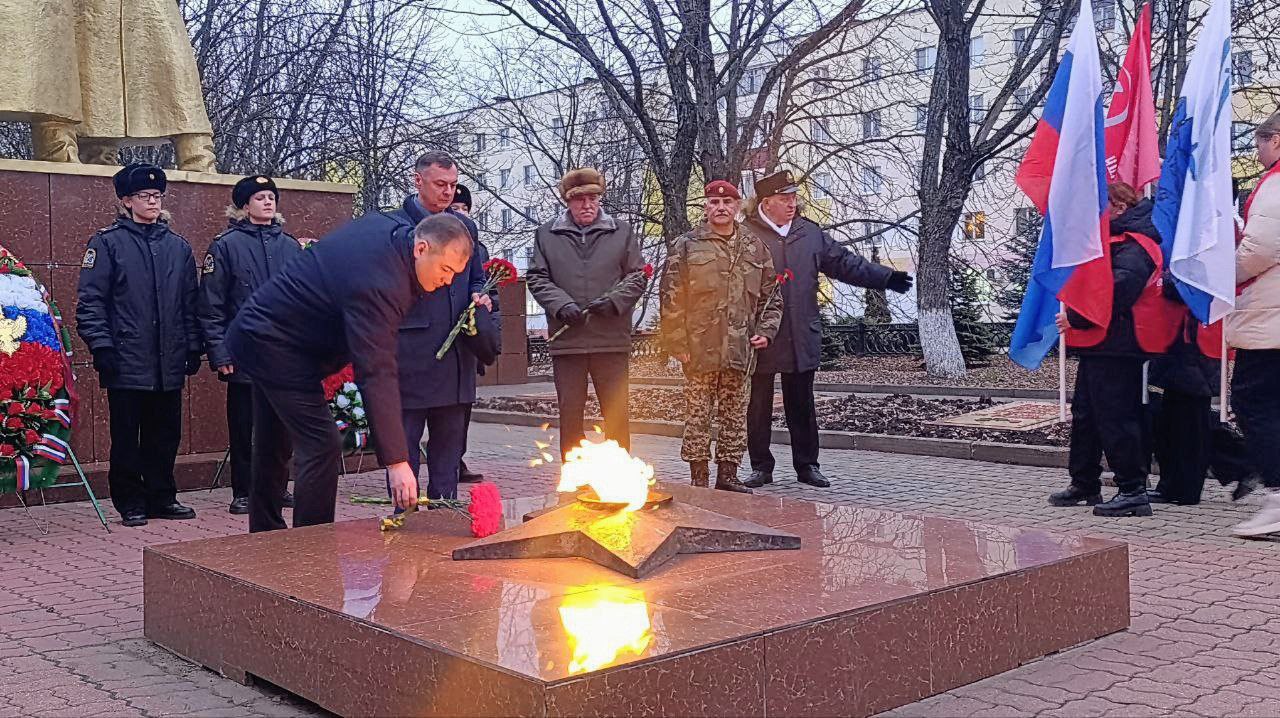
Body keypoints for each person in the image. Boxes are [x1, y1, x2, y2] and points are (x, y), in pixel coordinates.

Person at [224, 213, 473, 532]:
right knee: (322, 444)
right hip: (276, 345)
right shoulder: (381, 281)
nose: (448, 281)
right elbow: (376, 369)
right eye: (446, 269)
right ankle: (311, 544)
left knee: (273, 438)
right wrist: (397, 462)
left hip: (268, 335)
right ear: (421, 248)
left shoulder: (391, 234)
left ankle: (265, 533)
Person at [742, 170, 912, 489]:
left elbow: (844, 263)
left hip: (800, 334)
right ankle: (761, 467)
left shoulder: (809, 233)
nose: (792, 203)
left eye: (794, 197)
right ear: (766, 203)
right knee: (758, 405)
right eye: (784, 198)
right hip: (760, 335)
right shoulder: (746, 235)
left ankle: (807, 465)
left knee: (802, 405)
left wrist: (885, 277)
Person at [75, 163, 201, 527]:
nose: (153, 202)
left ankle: (162, 496)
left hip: (168, 358)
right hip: (126, 357)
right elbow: (91, 302)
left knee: (165, 434)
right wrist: (102, 347)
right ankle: (130, 500)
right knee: (127, 436)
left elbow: (190, 303)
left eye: (158, 196)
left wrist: (194, 346)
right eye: (145, 196)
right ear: (127, 201)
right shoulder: (107, 243)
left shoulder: (178, 247)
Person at [1050, 182, 1169, 518]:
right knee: (1086, 415)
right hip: (1103, 342)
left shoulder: (1137, 245)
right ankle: (1084, 482)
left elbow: (1119, 290)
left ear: (1118, 207)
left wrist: (1075, 317)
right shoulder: (1116, 242)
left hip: (1120, 343)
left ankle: (1132, 490)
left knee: (1116, 417)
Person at [661, 180, 782, 493]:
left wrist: (766, 332)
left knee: (734, 415)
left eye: (727, 202)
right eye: (714, 203)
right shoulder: (686, 245)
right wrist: (677, 343)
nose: (721, 208)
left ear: (737, 206)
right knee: (697, 416)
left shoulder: (755, 247)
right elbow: (671, 296)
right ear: (706, 206)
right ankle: (699, 476)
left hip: (740, 349)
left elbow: (771, 297)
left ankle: (728, 475)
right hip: (699, 349)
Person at [389, 163, 499, 502]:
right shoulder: (395, 227)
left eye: (453, 184)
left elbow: (477, 276)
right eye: (440, 184)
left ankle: (445, 509)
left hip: (456, 354)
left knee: (449, 448)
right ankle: (403, 515)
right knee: (405, 445)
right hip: (412, 352)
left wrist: (479, 295)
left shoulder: (466, 226)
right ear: (418, 180)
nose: (448, 191)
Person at [197, 175, 302, 515]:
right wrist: (220, 351)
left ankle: (278, 486)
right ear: (244, 206)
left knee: (282, 426)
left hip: (283, 354)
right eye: (260, 198)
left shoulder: (289, 246)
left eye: (271, 197)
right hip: (244, 351)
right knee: (245, 427)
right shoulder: (226, 246)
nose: (268, 202)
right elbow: (212, 304)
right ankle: (244, 491)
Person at [528, 168, 647, 460]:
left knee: (616, 414)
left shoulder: (621, 232)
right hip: (568, 340)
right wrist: (561, 305)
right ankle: (574, 475)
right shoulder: (547, 235)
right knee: (571, 414)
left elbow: (637, 275)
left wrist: (614, 301)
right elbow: (537, 277)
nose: (587, 205)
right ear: (568, 201)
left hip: (610, 339)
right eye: (580, 199)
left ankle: (620, 473)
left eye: (593, 198)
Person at [1226, 112, 1280, 538]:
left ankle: (1278, 496)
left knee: (1253, 401)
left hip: (1270, 319)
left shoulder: (1275, 186)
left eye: (1259, 142)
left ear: (1275, 140)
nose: (1256, 151)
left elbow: (1258, 250)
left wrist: (1222, 275)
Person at [444, 182, 488, 484]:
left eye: (464, 209)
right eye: (454, 209)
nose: (460, 214)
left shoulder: (478, 249)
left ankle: (457, 460)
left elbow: (486, 290)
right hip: (443, 336)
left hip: (468, 340)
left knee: (463, 407)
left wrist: (487, 338)